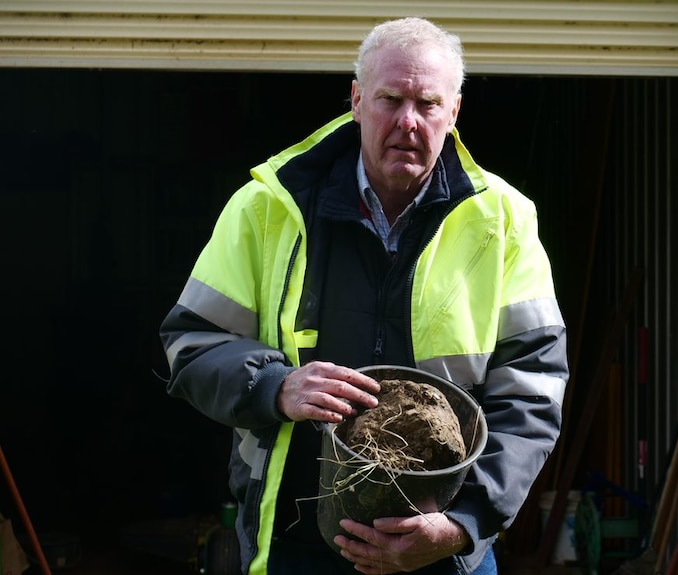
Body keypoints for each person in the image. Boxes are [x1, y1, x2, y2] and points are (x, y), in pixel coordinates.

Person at [159, 16, 568, 575]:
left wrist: (463, 524)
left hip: (441, 546)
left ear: (454, 113)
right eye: (389, 99)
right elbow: (191, 342)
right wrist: (275, 385)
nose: (408, 122)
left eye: (427, 103)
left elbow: (534, 387)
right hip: (297, 538)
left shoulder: (505, 221)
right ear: (355, 100)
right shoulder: (266, 208)